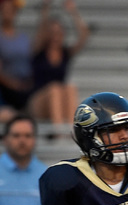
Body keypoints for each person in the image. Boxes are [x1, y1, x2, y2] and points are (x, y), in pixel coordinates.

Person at [28, 0, 89, 130]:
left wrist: (73, 12)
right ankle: (59, 133)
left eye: (58, 32)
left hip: (59, 99)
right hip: (38, 100)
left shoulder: (65, 53)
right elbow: (41, 29)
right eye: (52, 32)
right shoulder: (39, 51)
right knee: (54, 89)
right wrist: (46, 7)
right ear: (47, 34)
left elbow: (84, 36)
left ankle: (73, 130)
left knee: (70, 88)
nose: (55, 36)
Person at [0, 0, 32, 114]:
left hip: (25, 86)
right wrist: (14, 85)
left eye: (11, 10)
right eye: (5, 10)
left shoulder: (23, 38)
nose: (8, 13)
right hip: (7, 90)